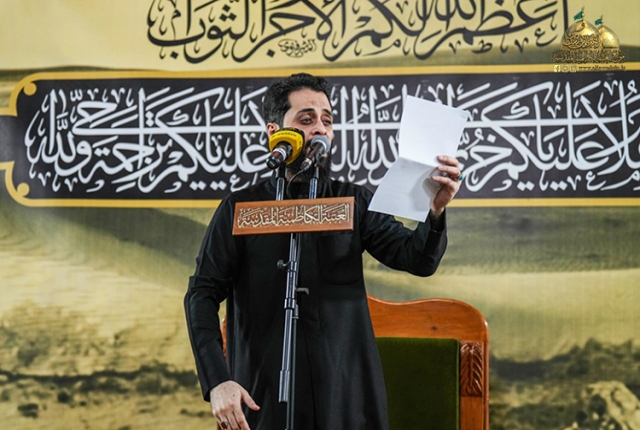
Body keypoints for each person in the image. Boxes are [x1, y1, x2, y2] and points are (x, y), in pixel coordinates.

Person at [184, 73, 463, 430]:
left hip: (345, 398)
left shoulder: (353, 201)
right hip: (262, 395)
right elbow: (202, 294)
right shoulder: (242, 209)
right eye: (306, 120)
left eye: (327, 121)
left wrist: (435, 211)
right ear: (275, 132)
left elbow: (416, 258)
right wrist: (218, 381)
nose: (320, 128)